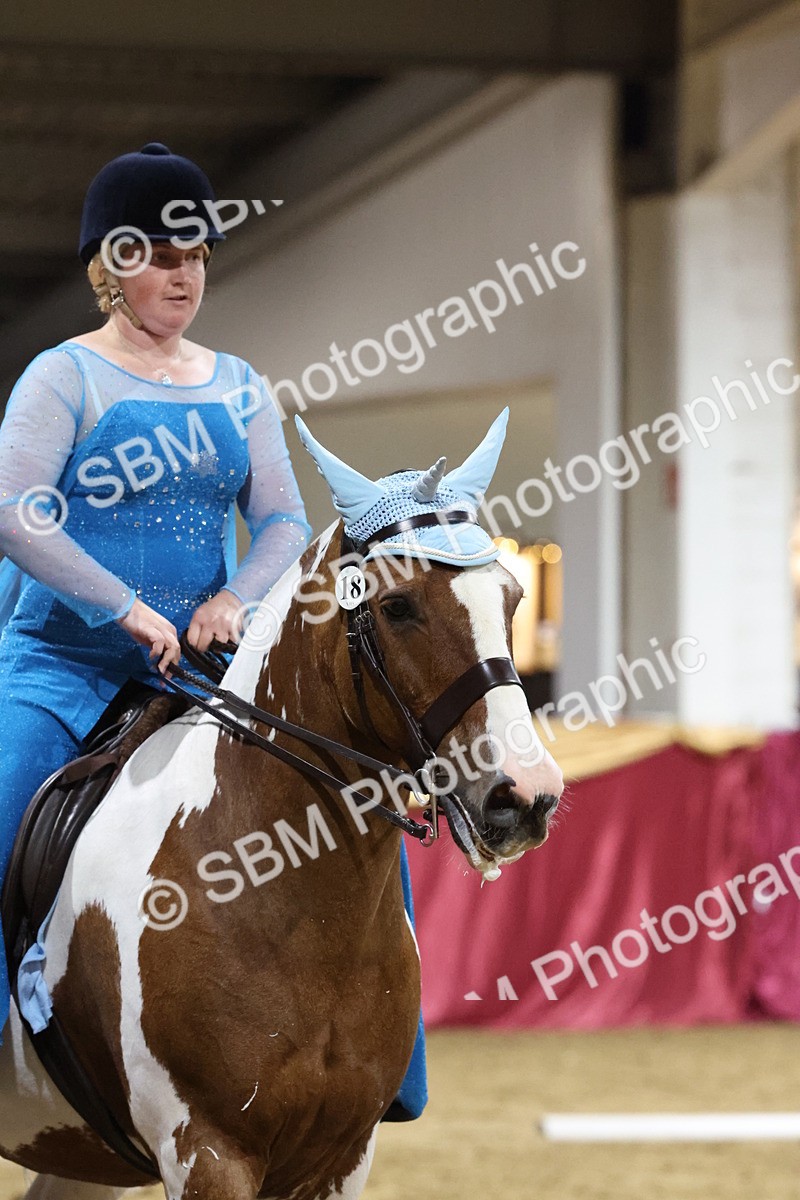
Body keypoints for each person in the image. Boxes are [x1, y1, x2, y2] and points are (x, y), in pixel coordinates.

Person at [0, 142, 426, 1120]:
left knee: (356, 804)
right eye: (155, 251)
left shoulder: (237, 383)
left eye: (193, 253)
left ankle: (391, 1057)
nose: (182, 271)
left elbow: (280, 518)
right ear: (108, 267)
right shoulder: (60, 379)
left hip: (205, 668)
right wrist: (121, 607)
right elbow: (18, 510)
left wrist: (236, 595)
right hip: (62, 666)